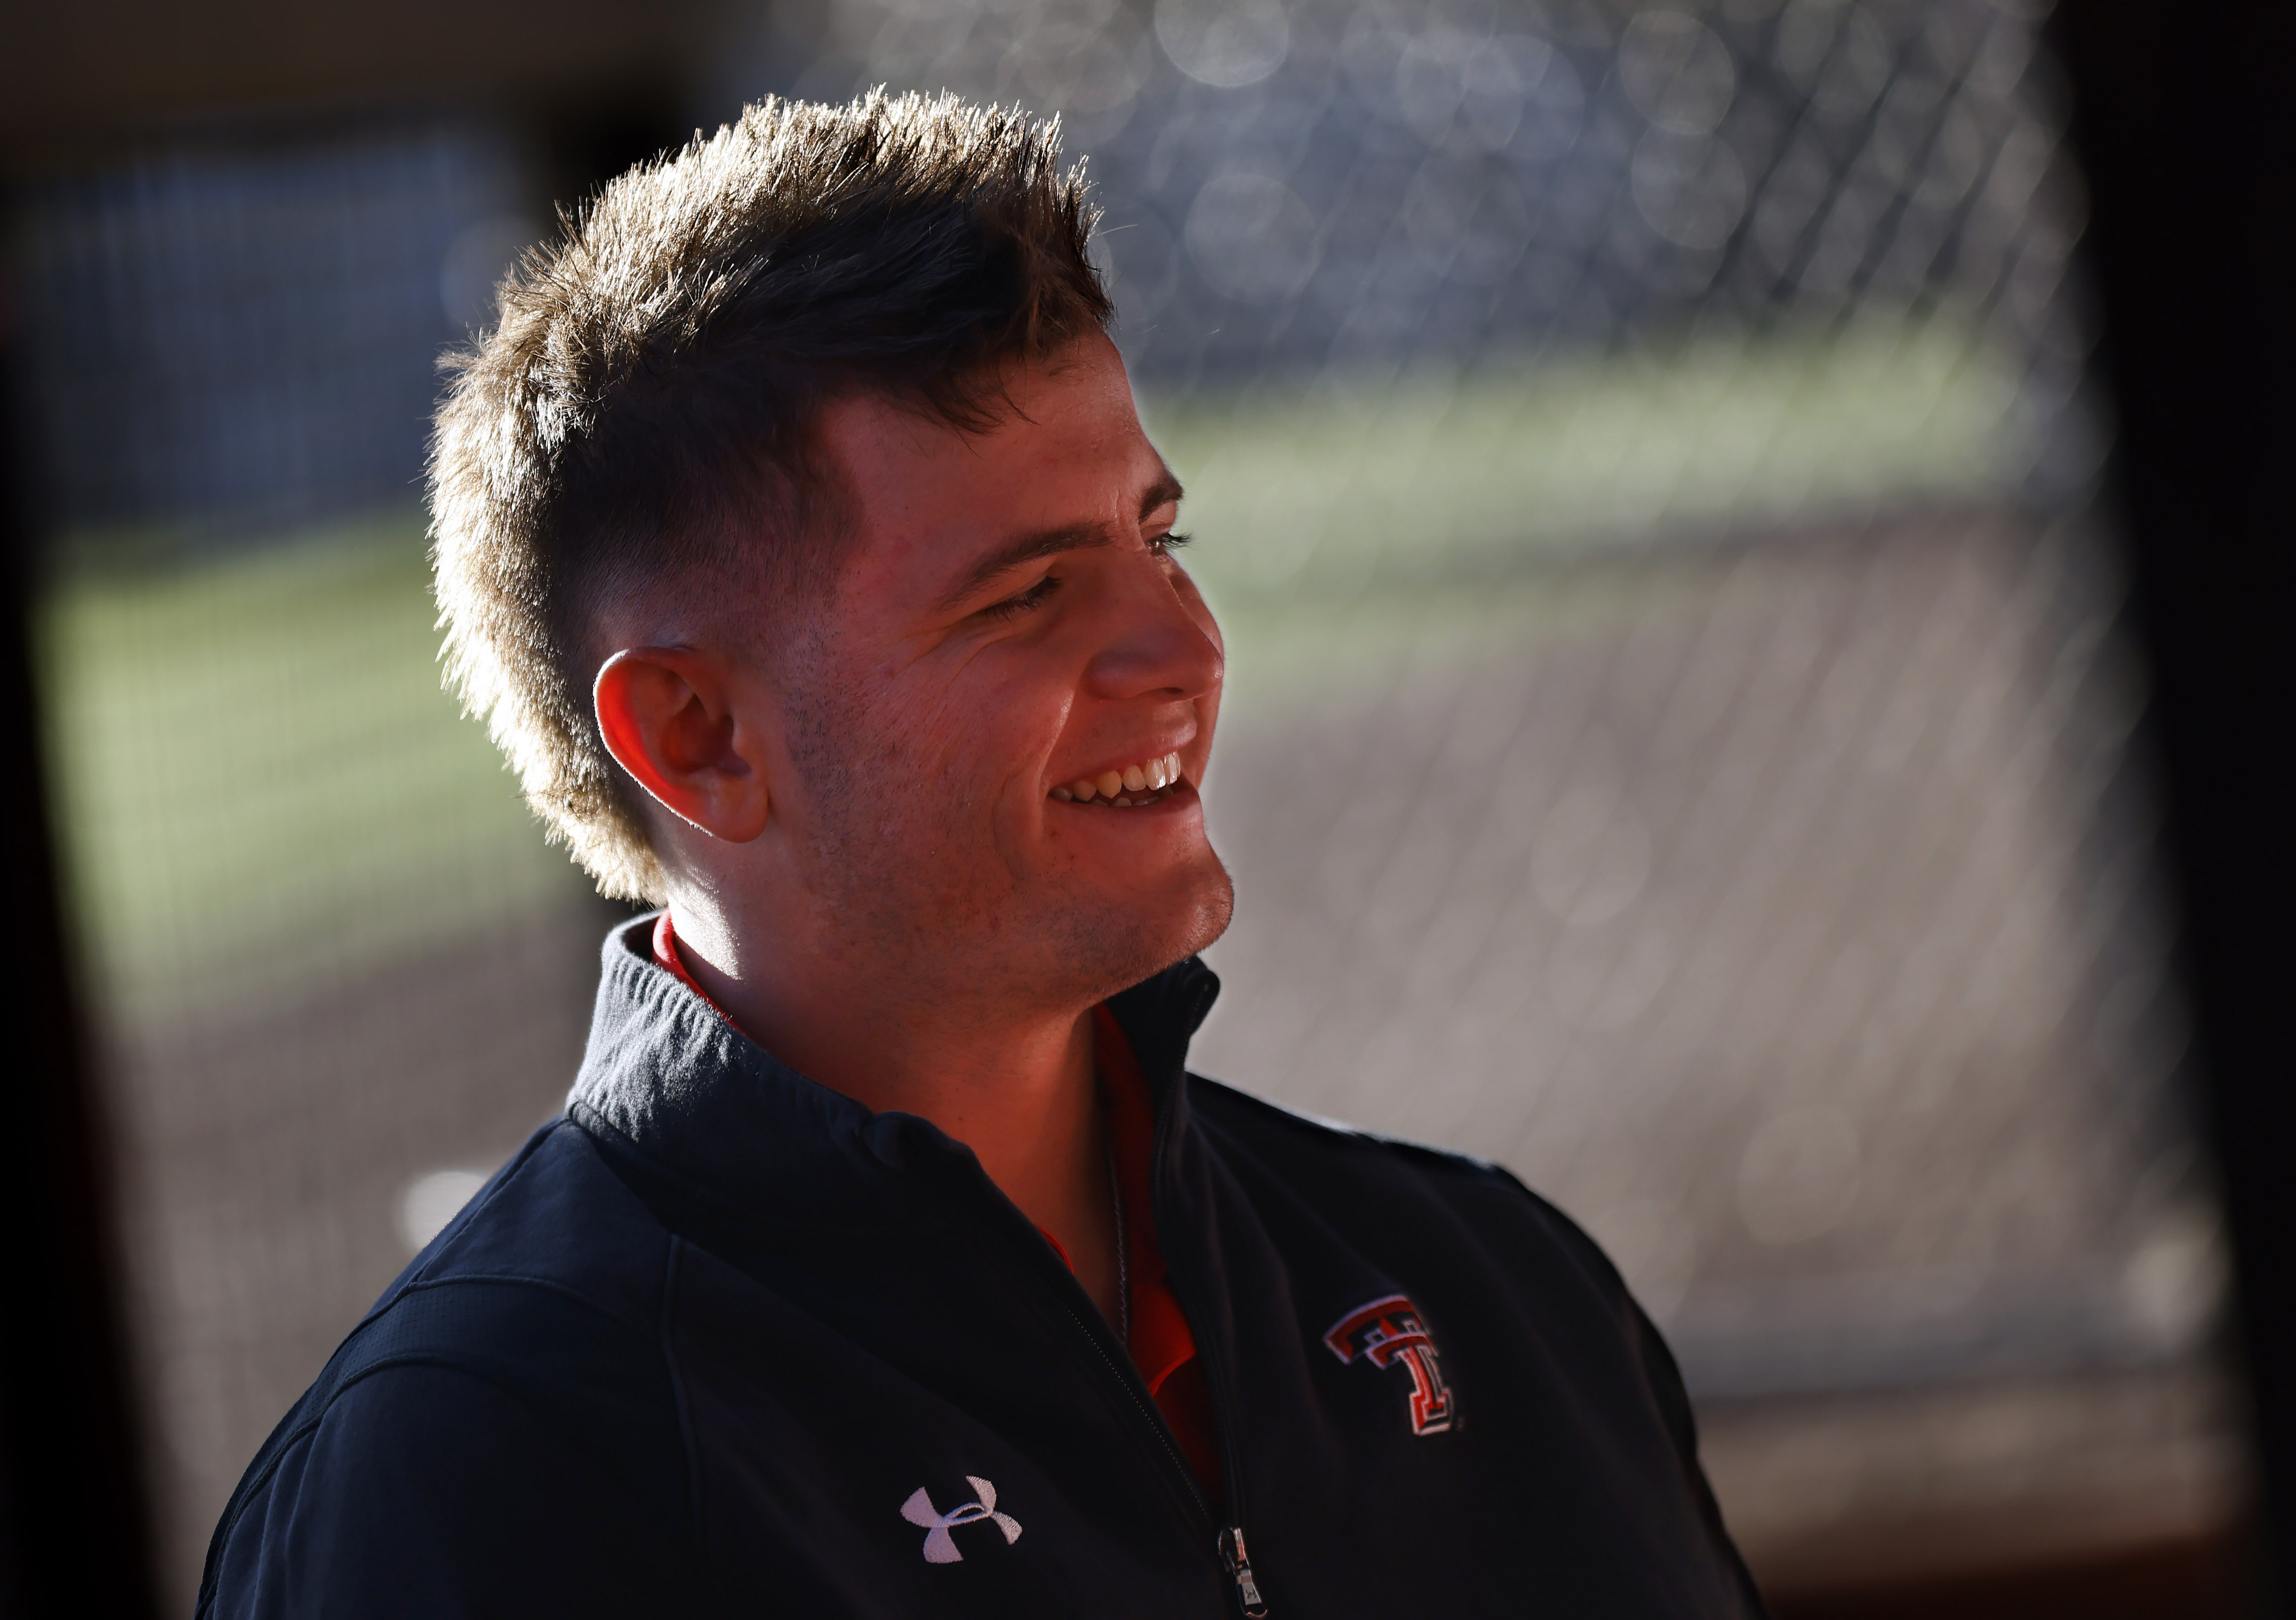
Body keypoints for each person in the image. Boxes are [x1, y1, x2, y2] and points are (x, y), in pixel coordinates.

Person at [196, 90, 1766, 1619]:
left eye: (1160, 540)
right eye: (1025, 594)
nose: (1180, 650)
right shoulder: (476, 1469)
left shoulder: (1488, 1288)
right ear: (697, 737)